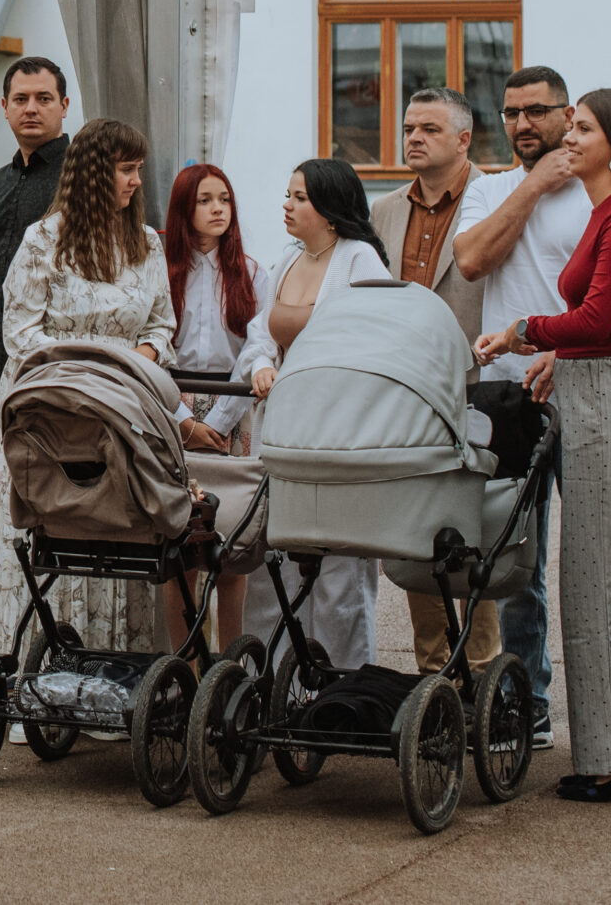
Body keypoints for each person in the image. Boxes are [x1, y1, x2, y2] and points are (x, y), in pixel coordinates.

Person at [476, 88, 611, 804]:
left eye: (583, 128)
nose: (570, 136)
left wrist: (522, 332)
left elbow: (596, 317)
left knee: (604, 579)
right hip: (593, 389)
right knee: (593, 579)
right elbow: (603, 322)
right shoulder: (609, 210)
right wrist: (558, 356)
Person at [0, 119, 174, 674]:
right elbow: (19, 332)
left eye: (138, 169)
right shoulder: (43, 240)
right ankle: (31, 673)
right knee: (51, 533)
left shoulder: (146, 243)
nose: (136, 181)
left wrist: (136, 363)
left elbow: (161, 324)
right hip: (51, 409)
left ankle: (114, 677)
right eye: (127, 170)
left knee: (117, 533)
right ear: (93, 173)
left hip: (122, 407)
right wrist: (82, 377)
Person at [453, 64, 590, 750]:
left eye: (536, 111)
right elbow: (472, 260)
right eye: (511, 113)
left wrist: (566, 349)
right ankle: (528, 701)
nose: (522, 124)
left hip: (584, 387)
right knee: (516, 562)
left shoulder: (597, 192)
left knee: (591, 560)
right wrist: (532, 186)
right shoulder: (490, 189)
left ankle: (600, 713)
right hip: (509, 396)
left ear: (567, 113)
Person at [231, 158, 395, 671]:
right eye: (288, 194)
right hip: (280, 429)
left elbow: (379, 341)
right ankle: (267, 681)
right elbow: (261, 332)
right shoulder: (286, 260)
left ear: (328, 208)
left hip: (335, 431)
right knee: (273, 559)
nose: (287, 205)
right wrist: (262, 365)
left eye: (299, 197)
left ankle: (342, 685)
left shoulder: (359, 260)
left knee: (338, 568)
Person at [367, 88, 502, 676]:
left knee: (475, 527)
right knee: (415, 526)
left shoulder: (494, 197)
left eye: (429, 129)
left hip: (477, 376)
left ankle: (484, 669)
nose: (414, 138)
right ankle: (432, 672)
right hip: (406, 384)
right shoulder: (384, 210)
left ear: (464, 139)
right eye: (408, 128)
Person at [157, 162, 275, 648]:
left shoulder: (252, 272)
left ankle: (229, 664)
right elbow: (155, 348)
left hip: (235, 404)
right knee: (179, 547)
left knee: (231, 543)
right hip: (170, 403)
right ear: (184, 208)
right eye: (205, 200)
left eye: (224, 199)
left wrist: (221, 420)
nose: (217, 209)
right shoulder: (161, 272)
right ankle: (185, 663)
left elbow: (258, 344)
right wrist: (184, 420)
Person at [0, 55, 73, 416]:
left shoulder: (83, 180)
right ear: (5, 107)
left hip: (61, 369)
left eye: (44, 99)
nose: (31, 109)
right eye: (20, 99)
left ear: (64, 106)